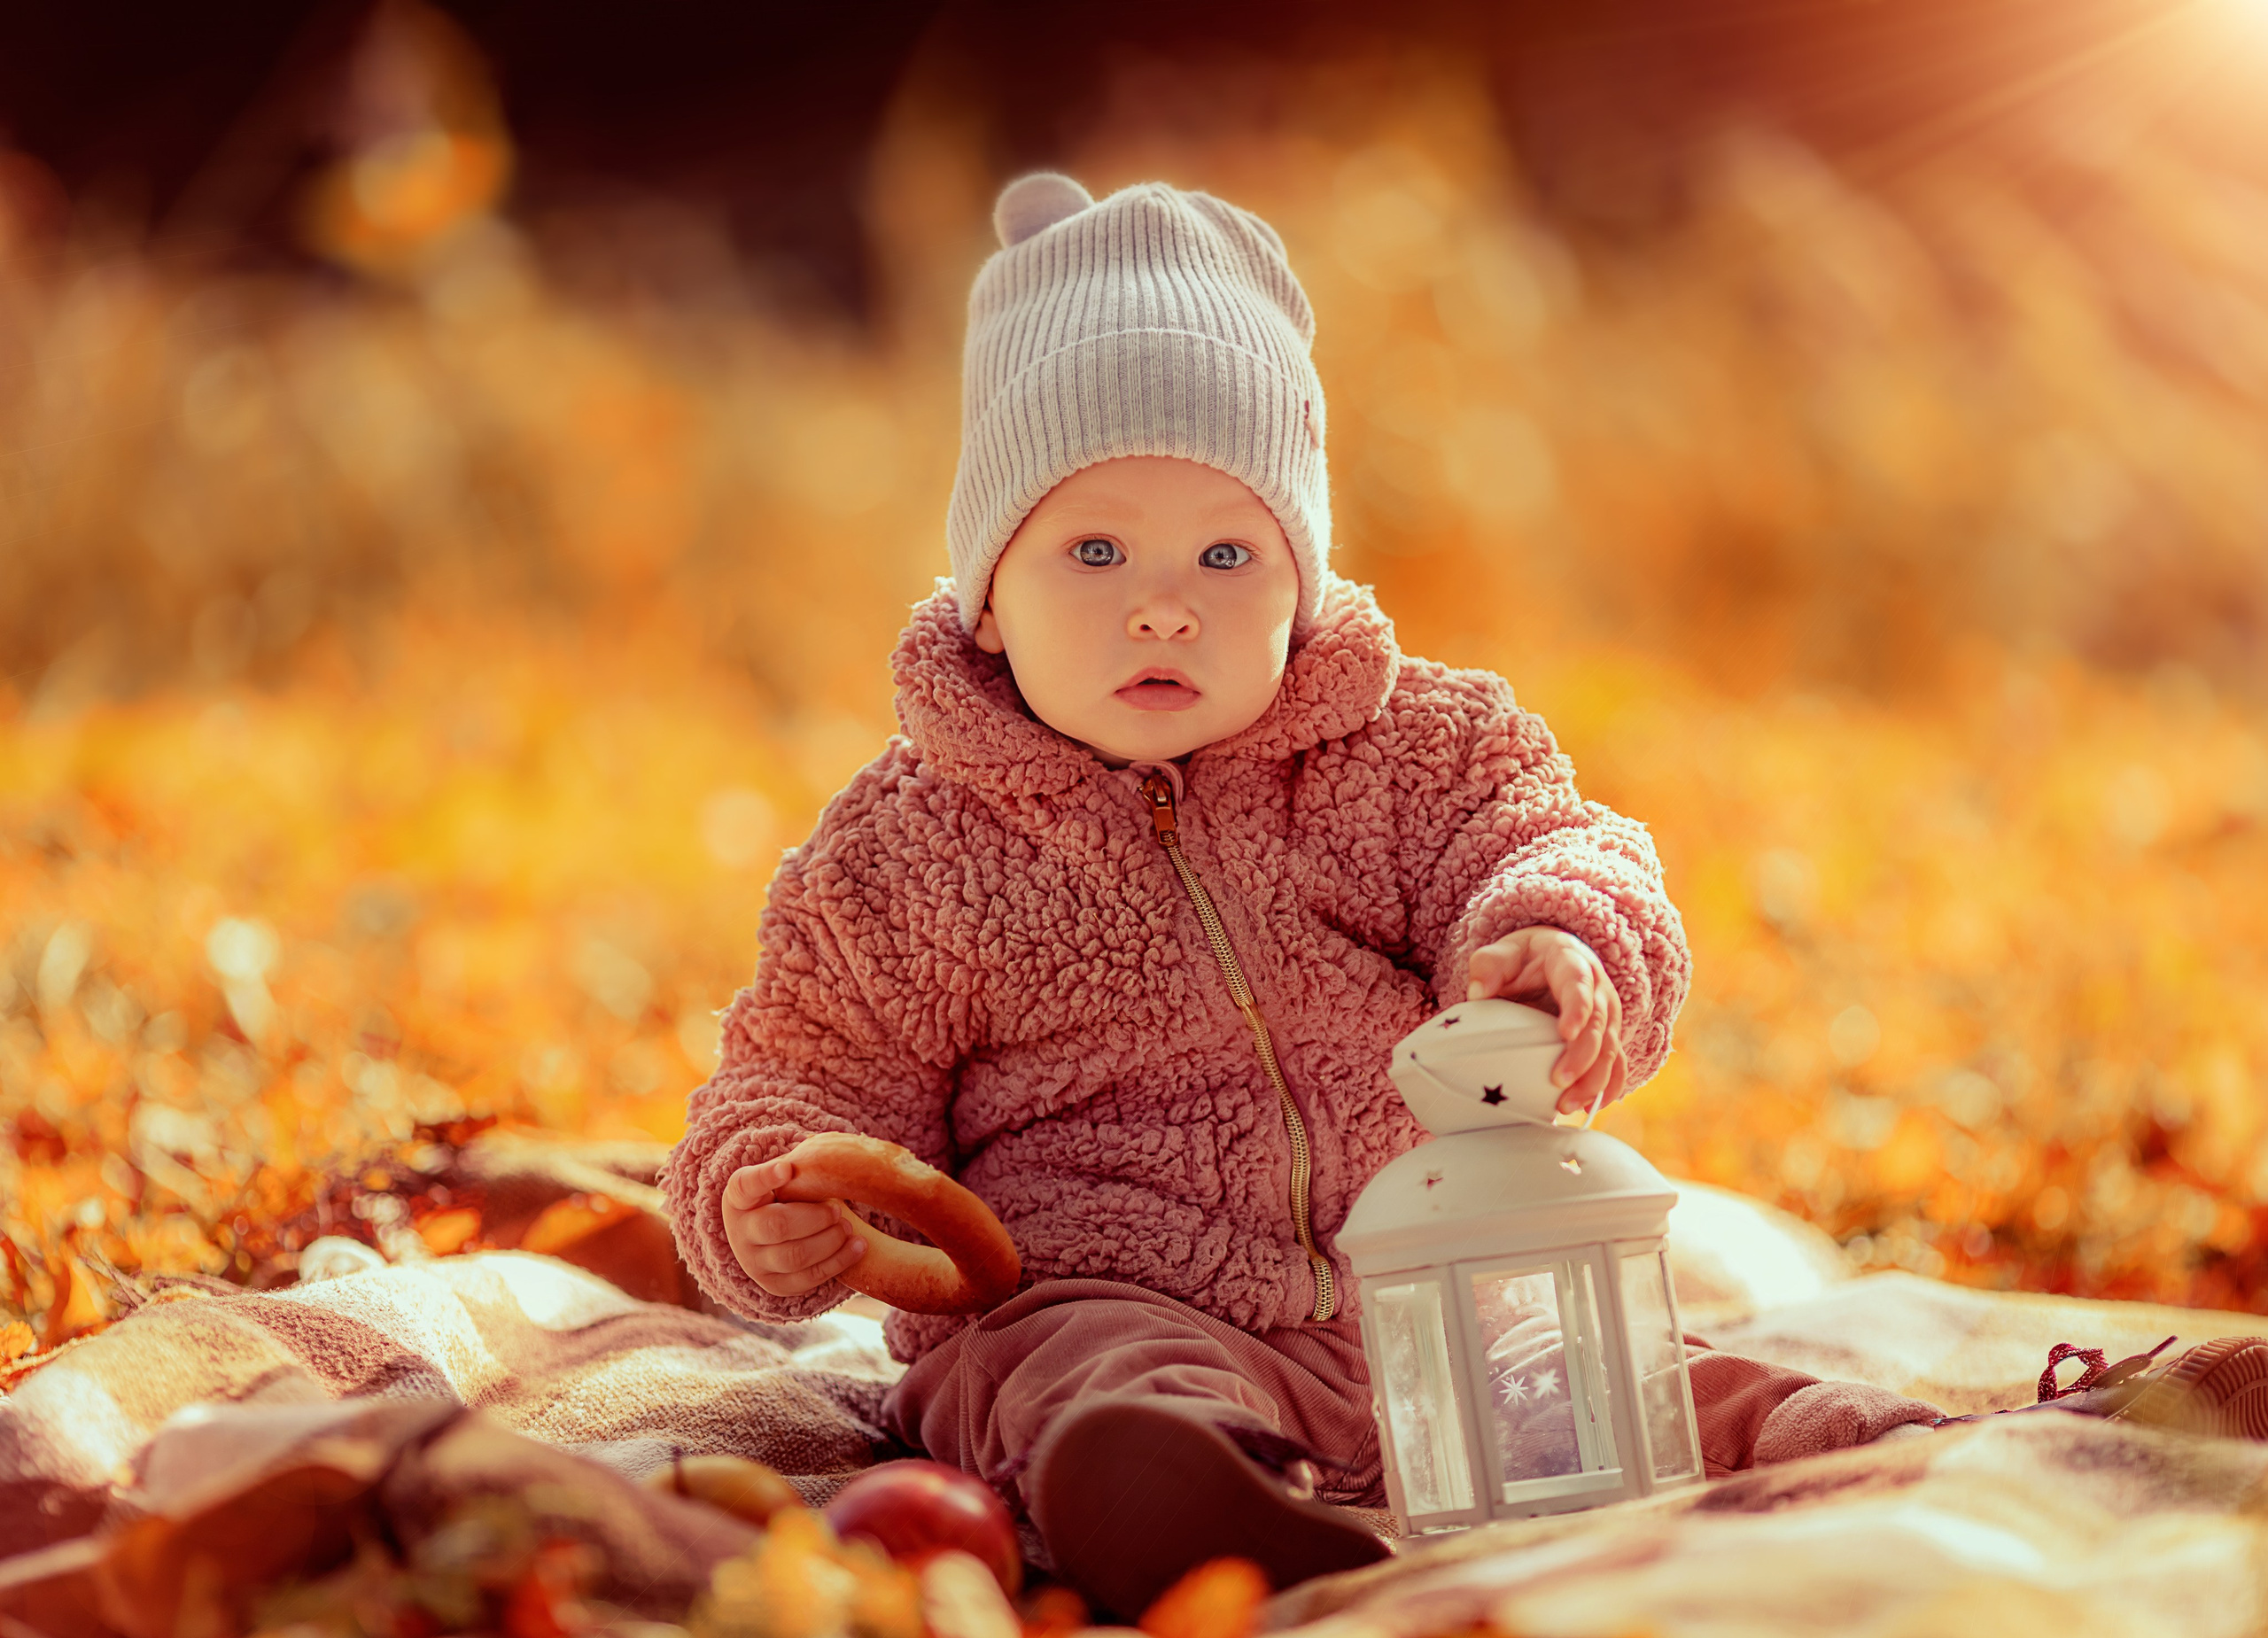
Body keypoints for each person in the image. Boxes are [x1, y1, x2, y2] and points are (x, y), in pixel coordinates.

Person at [663, 175, 2259, 1617]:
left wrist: (1558, 941)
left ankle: (2005, 1431)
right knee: (1064, 1374)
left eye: (1228, 555)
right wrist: (766, 1200)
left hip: (1440, 1282)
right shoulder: (906, 859)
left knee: (1663, 1384)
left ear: (1301, 573)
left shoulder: (1408, 748)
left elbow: (1559, 844)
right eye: (1092, 552)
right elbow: (793, 1080)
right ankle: (1195, 1507)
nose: (1163, 601)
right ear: (987, 599)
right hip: (1101, 1288)